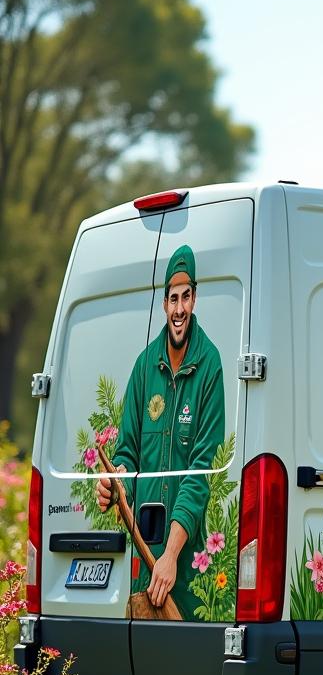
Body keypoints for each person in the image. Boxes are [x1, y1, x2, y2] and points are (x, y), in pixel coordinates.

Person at [97, 244, 225, 620]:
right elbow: (127, 454)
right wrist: (115, 482)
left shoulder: (210, 366)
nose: (180, 308)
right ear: (164, 304)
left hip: (184, 566)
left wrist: (170, 557)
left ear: (195, 299)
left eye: (186, 297)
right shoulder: (144, 367)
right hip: (145, 558)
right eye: (173, 298)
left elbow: (201, 472)